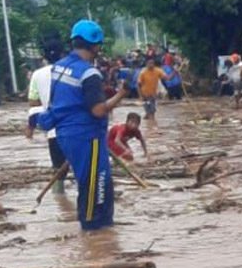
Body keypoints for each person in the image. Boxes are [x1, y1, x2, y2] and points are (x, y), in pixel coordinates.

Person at [33, 20, 127, 231]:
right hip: (87, 135)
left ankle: (96, 231)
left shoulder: (59, 67)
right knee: (97, 184)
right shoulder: (89, 73)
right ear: (95, 45)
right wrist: (122, 94)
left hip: (65, 134)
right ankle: (94, 233)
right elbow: (98, 110)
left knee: (88, 181)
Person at [27, 41, 68, 191]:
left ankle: (60, 203)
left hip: (53, 132)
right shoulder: (72, 70)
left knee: (58, 170)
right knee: (85, 170)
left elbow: (33, 101)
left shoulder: (37, 75)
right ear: (63, 54)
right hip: (77, 130)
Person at [137, 56, 167, 126]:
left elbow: (167, 78)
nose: (151, 65)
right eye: (149, 63)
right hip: (145, 96)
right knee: (150, 112)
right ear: (146, 64)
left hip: (153, 96)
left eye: (152, 63)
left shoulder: (158, 71)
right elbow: (138, 85)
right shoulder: (143, 73)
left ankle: (151, 128)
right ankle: (151, 128)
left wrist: (175, 72)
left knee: (152, 112)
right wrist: (140, 96)